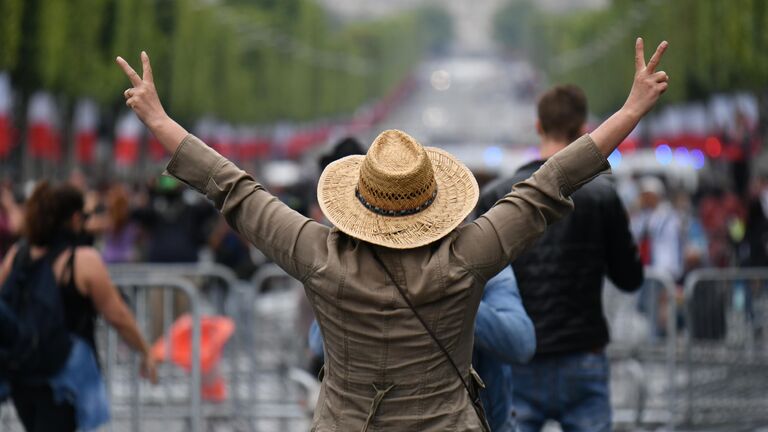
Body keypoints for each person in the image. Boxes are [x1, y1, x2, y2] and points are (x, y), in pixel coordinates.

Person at [116, 37, 669, 431]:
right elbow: (549, 185)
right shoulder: (468, 257)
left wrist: (160, 121)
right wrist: (630, 110)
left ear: (357, 201)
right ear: (434, 201)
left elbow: (234, 191)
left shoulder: (319, 256)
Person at [477, 85, 644, 432]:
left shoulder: (497, 195)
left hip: (518, 358)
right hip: (583, 352)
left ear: (538, 126)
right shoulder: (602, 195)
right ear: (583, 129)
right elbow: (630, 278)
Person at [0, 182, 157, 432]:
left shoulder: (17, 254)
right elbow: (117, 315)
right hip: (65, 375)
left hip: (23, 374)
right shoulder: (82, 260)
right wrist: (144, 350)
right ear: (74, 218)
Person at [309, 265, 536, 431]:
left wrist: (451, 300)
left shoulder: (484, 262)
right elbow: (319, 343)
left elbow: (521, 343)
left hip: (481, 420)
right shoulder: (361, 263)